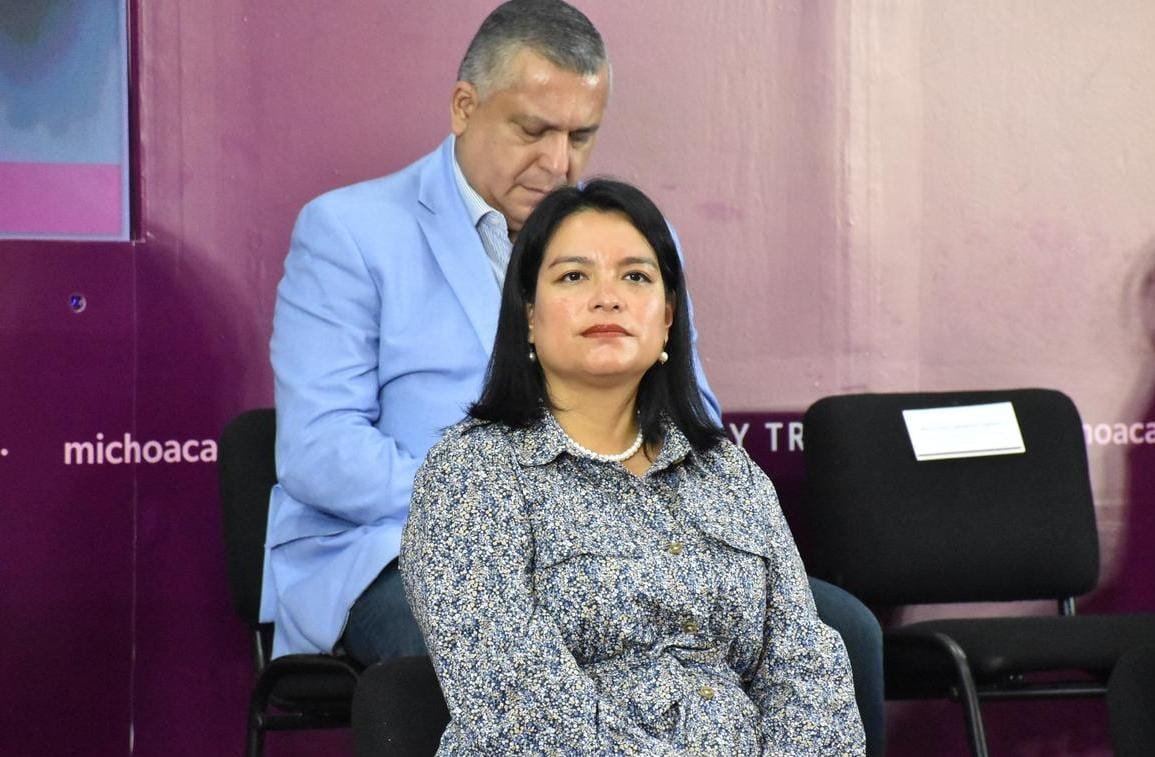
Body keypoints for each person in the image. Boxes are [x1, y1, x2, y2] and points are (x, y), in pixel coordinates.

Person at [265, 1, 883, 751]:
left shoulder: (633, 238)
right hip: (399, 546)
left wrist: (616, 515)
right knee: (512, 645)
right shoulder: (351, 231)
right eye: (532, 131)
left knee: (839, 633)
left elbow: (687, 414)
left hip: (636, 534)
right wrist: (528, 509)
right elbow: (321, 451)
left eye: (580, 136)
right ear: (464, 107)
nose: (558, 163)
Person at [401, 179, 865, 754]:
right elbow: (516, 703)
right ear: (528, 316)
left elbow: (806, 670)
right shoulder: (472, 473)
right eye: (574, 276)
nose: (608, 298)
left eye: (636, 277)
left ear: (668, 317)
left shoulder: (729, 474)